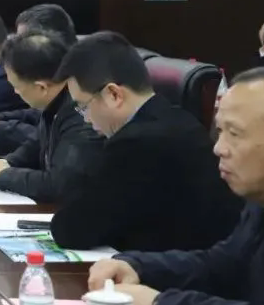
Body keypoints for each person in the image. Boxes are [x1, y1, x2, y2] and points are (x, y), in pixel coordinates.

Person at [88, 67, 264, 305]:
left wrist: (160, 301)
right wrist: (137, 266)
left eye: (235, 134)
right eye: (220, 131)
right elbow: (220, 266)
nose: (219, 148)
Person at [50, 32, 242, 252]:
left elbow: (71, 230)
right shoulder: (178, 117)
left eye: (83, 106)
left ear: (113, 95)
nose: (85, 118)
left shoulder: (137, 144)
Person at [0, 31, 102, 203]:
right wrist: (5, 163)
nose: (15, 92)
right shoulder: (56, 100)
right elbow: (38, 144)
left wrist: (3, 176)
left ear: (41, 87)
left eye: (16, 86)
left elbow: (60, 184)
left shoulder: (82, 112)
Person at [0, 4, 79, 153]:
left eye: (24, 41)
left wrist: (2, 133)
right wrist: (0, 118)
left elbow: (57, 139)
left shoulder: (84, 86)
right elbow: (41, 114)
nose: (18, 48)